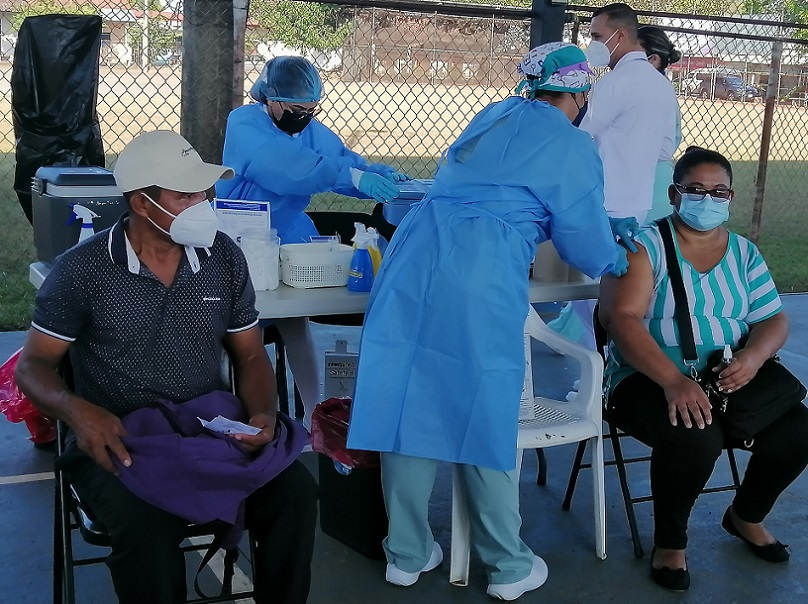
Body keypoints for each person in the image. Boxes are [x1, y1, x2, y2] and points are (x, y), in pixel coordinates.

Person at [346, 42, 629, 601]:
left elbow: (494, 190)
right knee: (484, 403)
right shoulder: (572, 143)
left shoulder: (494, 112)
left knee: (407, 396)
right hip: (477, 268)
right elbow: (582, 237)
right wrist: (612, 252)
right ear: (577, 92)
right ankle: (507, 565)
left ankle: (404, 554)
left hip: (414, 255)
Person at [14, 130, 318, 604]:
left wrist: (260, 414)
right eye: (185, 194)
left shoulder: (223, 258)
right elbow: (33, 366)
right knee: (146, 529)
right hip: (119, 439)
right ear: (140, 203)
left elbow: (252, 353)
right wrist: (78, 413)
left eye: (203, 191)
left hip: (209, 430)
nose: (202, 204)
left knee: (294, 492)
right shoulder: (81, 270)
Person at [599, 146, 808, 592]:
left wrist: (752, 358)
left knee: (799, 429)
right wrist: (673, 381)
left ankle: (745, 516)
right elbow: (623, 320)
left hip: (726, 377)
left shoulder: (745, 253)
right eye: (696, 190)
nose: (708, 200)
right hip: (647, 379)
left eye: (719, 192)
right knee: (695, 435)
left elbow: (773, 319)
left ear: (730, 197)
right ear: (674, 195)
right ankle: (671, 543)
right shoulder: (643, 247)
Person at [217, 55, 411, 428]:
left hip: (287, 231)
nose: (304, 115)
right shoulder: (244, 123)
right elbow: (286, 168)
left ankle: (313, 416)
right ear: (270, 98)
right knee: (246, 332)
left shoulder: (306, 127)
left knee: (296, 323)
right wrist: (352, 176)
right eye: (296, 108)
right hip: (241, 233)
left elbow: (337, 160)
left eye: (311, 109)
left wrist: (373, 174)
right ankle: (254, 421)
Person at [548, 3, 681, 347]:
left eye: (597, 36)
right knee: (612, 293)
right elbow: (666, 149)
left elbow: (579, 135)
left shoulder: (616, 82)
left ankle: (592, 372)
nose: (593, 43)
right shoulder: (662, 85)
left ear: (620, 35)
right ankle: (603, 367)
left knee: (585, 292)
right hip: (636, 204)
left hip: (601, 203)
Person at [638, 25, 683, 222]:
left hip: (649, 187)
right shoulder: (657, 88)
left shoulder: (651, 90)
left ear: (653, 59)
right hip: (652, 183)